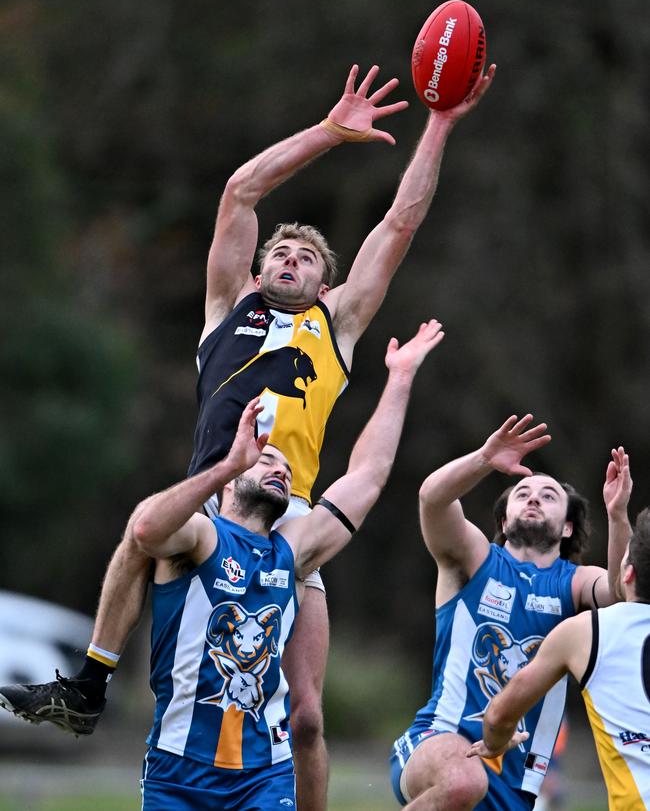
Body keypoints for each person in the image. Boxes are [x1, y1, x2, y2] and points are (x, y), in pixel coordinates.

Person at [0, 60, 494, 810]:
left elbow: (399, 222)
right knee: (144, 532)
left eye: (306, 258)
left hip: (292, 514)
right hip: (218, 499)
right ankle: (90, 685)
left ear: (327, 285)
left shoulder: (338, 326)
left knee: (306, 719)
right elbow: (241, 190)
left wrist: (438, 124)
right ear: (256, 270)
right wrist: (330, 134)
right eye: (279, 254)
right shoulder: (228, 311)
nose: (290, 259)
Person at [136, 322, 441, 809]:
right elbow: (146, 531)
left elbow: (368, 475)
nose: (280, 467)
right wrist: (223, 465)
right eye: (266, 460)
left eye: (285, 464)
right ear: (230, 478)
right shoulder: (199, 537)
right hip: (178, 772)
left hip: (265, 774)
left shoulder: (293, 551)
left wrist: (400, 378)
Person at [389, 419, 632, 811]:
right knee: (464, 782)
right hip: (439, 741)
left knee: (471, 785)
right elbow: (432, 499)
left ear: (568, 527)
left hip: (519, 781)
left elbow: (622, 594)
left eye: (549, 496)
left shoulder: (573, 584)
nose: (534, 499)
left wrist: (618, 515)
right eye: (523, 493)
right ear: (503, 521)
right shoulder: (475, 558)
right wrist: (485, 459)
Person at [468, 498, 650, 811]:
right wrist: (617, 514)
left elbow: (498, 716)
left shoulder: (586, 631)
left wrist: (494, 742)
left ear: (629, 573)